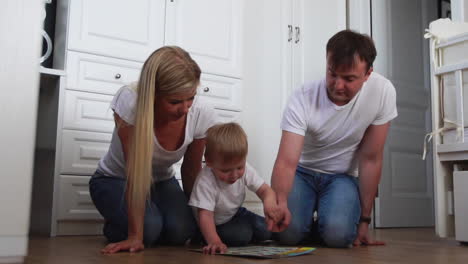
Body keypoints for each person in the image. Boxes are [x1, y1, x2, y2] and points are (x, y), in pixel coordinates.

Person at [268, 30, 397, 248]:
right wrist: (280, 204)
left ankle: (323, 222)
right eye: (332, 73)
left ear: (368, 74)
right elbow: (286, 162)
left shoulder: (382, 92)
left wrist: (364, 222)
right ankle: (306, 221)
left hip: (342, 176)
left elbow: (371, 159)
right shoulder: (303, 97)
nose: (338, 85)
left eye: (349, 79)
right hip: (302, 172)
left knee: (338, 237)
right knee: (287, 235)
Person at [89, 46, 218, 254]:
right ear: (154, 93)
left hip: (161, 182)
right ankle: (117, 226)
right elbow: (135, 172)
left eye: (191, 98)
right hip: (115, 178)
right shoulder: (130, 101)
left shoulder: (202, 112)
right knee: (148, 231)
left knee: (181, 232)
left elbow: (191, 171)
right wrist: (134, 236)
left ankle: (150, 219)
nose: (185, 109)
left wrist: (202, 226)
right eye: (175, 101)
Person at [188, 123, 280, 255]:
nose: (234, 175)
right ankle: (203, 238)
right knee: (241, 235)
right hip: (213, 224)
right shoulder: (205, 181)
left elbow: (265, 190)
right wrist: (214, 241)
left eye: (239, 168)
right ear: (209, 162)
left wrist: (269, 203)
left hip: (235, 214)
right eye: (225, 170)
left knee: (268, 228)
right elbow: (205, 215)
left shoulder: (244, 168)